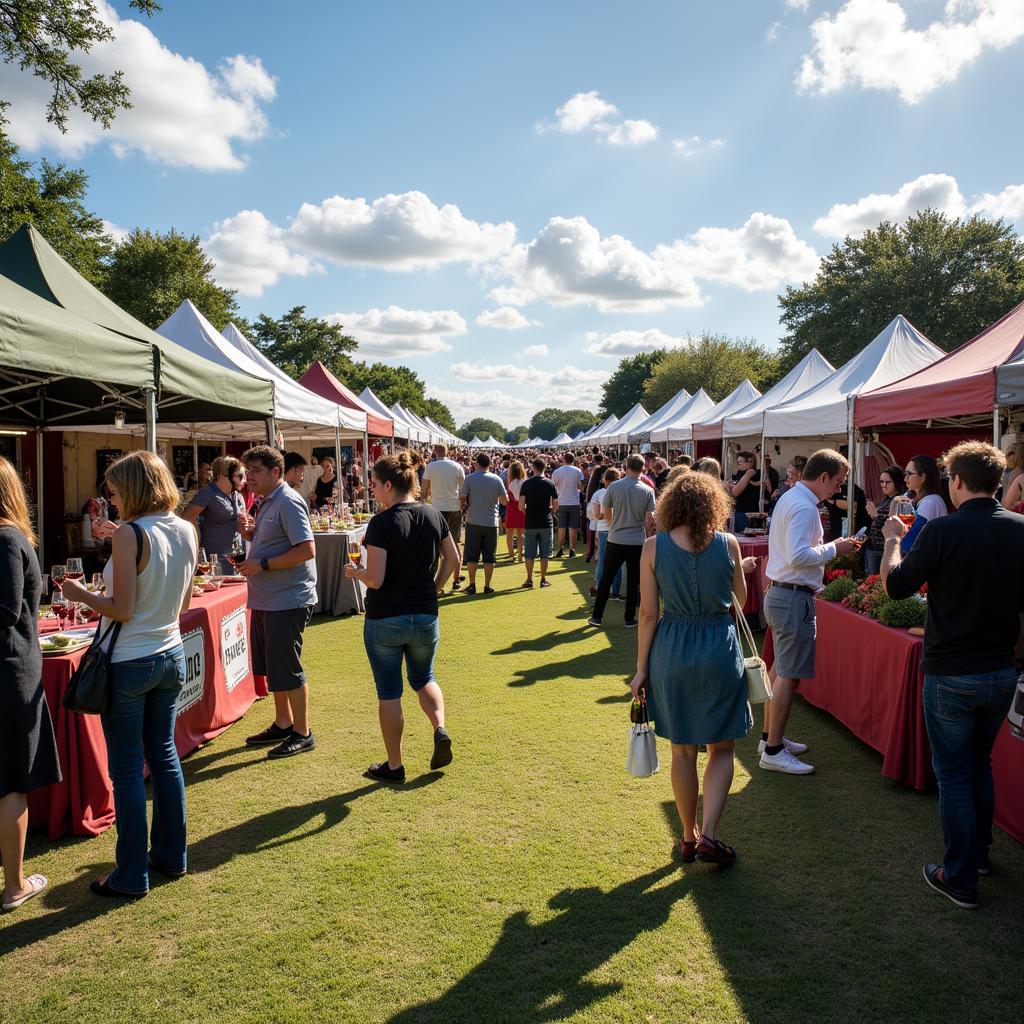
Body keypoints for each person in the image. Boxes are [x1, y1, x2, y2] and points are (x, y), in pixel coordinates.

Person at [881, 441, 1024, 909]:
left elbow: (895, 586)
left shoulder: (943, 530)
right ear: (998, 483)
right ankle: (976, 857)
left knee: (957, 775)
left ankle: (961, 875)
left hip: (954, 671)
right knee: (976, 765)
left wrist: (892, 541)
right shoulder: (1018, 529)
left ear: (956, 481)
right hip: (1000, 670)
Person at [63, 451, 197, 898]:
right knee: (163, 756)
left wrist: (82, 594)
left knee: (125, 767)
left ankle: (131, 873)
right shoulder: (185, 529)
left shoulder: (133, 535)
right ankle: (171, 856)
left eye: (116, 493)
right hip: (170, 653)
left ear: (134, 490)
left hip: (131, 661)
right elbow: (181, 604)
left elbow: (120, 609)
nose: (112, 502)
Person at [631, 471, 756, 865]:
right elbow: (741, 598)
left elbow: (649, 613)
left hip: (672, 648)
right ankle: (711, 835)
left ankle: (688, 835)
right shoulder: (729, 543)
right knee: (723, 747)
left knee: (682, 751)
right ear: (714, 505)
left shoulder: (652, 548)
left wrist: (640, 669)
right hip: (720, 646)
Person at [345, 453, 460, 782]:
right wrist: (435, 587)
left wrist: (357, 573)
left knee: (389, 691)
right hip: (425, 613)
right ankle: (439, 729)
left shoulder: (381, 523)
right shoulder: (434, 514)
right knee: (425, 678)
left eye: (376, 485)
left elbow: (377, 578)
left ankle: (394, 765)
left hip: (386, 617)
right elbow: (454, 558)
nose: (373, 490)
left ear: (389, 485)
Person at [760, 449, 863, 774]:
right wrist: (837, 548)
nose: (838, 489)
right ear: (823, 478)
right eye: (838, 482)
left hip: (782, 593)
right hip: (791, 596)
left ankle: (769, 739)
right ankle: (773, 750)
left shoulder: (794, 499)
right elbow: (798, 556)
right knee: (787, 677)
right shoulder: (804, 506)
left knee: (779, 672)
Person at [0, 456, 61, 912]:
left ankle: (15, 881)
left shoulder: (6, 538)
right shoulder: (7, 537)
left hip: (9, 671)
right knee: (8, 783)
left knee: (10, 782)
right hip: (9, 670)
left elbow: (4, 612)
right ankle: (15, 885)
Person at [237, 445, 318, 759]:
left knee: (287, 666)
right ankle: (284, 723)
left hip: (287, 598)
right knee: (274, 667)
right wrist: (252, 536)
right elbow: (277, 541)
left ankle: (302, 732)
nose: (250, 477)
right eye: (248, 471)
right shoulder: (267, 501)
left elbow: (306, 550)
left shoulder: (287, 501)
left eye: (256, 471)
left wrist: (263, 564)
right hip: (268, 598)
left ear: (275, 472)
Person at [588, 454, 656, 629]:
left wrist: (612, 525)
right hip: (636, 540)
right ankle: (629, 618)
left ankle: (597, 616)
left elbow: (607, 509)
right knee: (633, 582)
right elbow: (650, 519)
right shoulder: (647, 490)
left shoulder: (614, 486)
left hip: (616, 538)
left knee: (606, 579)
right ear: (643, 469)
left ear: (626, 467)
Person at [181, 455, 245, 573]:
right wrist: (196, 551)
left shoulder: (236, 495)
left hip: (237, 560)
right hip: (216, 562)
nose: (242, 479)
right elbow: (184, 521)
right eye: (239, 475)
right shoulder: (207, 493)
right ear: (222, 475)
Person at [458, 453, 507, 594]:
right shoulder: (496, 479)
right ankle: (487, 585)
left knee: (472, 555)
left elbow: (462, 497)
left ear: (476, 463)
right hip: (491, 522)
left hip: (473, 520)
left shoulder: (469, 479)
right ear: (489, 464)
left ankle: (472, 584)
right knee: (489, 556)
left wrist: (465, 505)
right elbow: (505, 501)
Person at [422, 444, 466, 591]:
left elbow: (424, 489)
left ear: (435, 452)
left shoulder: (431, 466)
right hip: (454, 508)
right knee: (454, 543)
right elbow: (463, 489)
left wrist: (423, 503)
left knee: (435, 545)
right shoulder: (457, 466)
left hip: (437, 509)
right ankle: (456, 579)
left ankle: (435, 581)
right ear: (448, 452)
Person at [518, 457, 559, 589]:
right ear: (545, 467)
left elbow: (520, 506)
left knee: (529, 553)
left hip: (530, 522)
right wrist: (550, 510)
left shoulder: (526, 484)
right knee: (544, 553)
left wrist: (527, 511)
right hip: (546, 521)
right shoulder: (549, 483)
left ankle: (529, 579)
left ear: (532, 467)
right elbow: (556, 504)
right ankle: (543, 579)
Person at [900, 454, 948, 554]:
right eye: (905, 474)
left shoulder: (931, 502)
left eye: (909, 474)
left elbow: (908, 542)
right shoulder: (916, 498)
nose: (905, 478)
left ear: (923, 477)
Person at [588, 468, 623, 600]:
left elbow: (594, 514)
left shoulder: (599, 493)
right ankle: (615, 592)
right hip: (616, 529)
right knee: (616, 562)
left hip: (603, 529)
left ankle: (599, 588)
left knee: (603, 561)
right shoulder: (621, 492)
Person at [863, 466, 906, 575]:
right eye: (881, 482)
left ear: (897, 482)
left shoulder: (900, 500)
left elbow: (892, 526)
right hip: (874, 548)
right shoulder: (887, 499)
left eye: (888, 482)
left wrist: (875, 515)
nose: (884, 485)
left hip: (884, 550)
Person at [551, 452, 584, 557]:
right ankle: (572, 550)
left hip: (562, 501)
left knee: (562, 527)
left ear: (563, 459)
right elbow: (581, 485)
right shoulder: (578, 471)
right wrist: (578, 491)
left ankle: (560, 549)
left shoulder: (557, 472)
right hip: (574, 501)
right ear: (573, 460)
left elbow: (553, 487)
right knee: (572, 528)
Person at [729, 451, 761, 534]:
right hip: (739, 512)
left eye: (740, 462)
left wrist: (747, 476)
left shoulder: (754, 474)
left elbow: (735, 492)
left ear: (750, 462)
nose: (739, 465)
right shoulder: (740, 473)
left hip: (747, 513)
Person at [504, 459, 527, 561]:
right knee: (520, 533)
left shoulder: (509, 482)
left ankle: (511, 555)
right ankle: (520, 556)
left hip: (512, 508)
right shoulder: (524, 482)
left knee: (509, 533)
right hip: (521, 508)